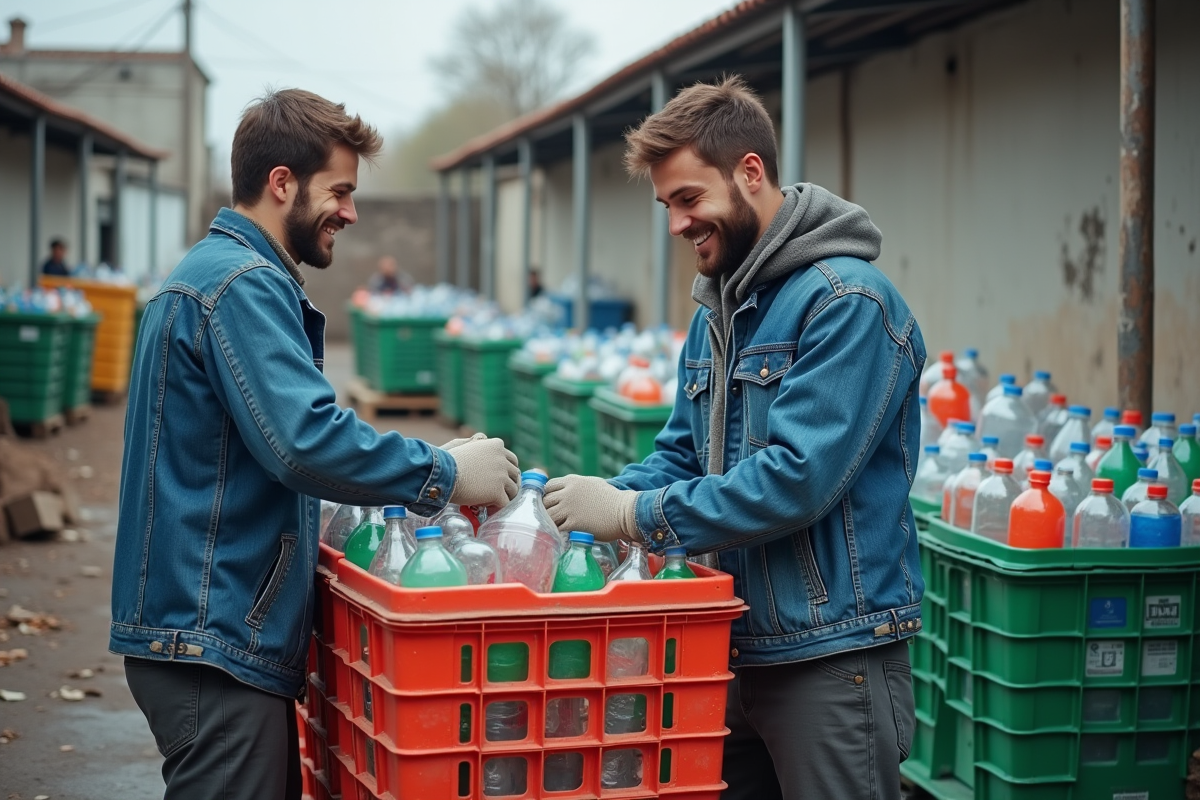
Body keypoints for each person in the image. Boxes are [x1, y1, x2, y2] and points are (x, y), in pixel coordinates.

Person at [109, 89, 519, 800]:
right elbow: (303, 443)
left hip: (202, 635)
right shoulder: (241, 284)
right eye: (341, 191)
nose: (351, 213)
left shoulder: (211, 274)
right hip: (213, 641)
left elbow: (258, 448)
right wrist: (443, 472)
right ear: (281, 183)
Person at [543, 76, 924, 800]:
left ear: (751, 172)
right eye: (666, 206)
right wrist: (574, 507)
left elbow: (796, 478)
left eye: (689, 199)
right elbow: (683, 454)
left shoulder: (849, 303)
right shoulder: (721, 310)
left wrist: (634, 518)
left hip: (829, 653)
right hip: (727, 643)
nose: (677, 223)